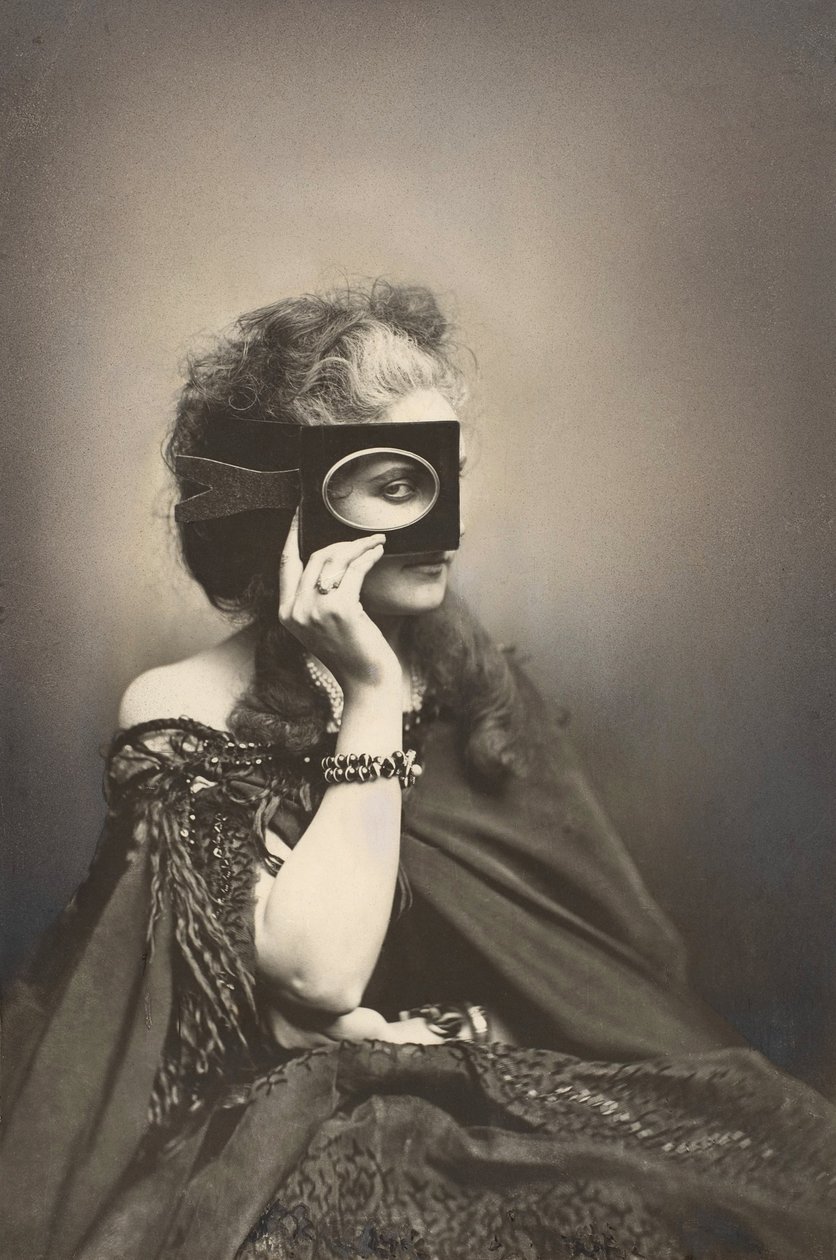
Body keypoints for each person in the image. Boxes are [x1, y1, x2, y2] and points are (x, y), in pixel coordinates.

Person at [1, 281, 835, 1260]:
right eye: (399, 485)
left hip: (507, 1090)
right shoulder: (183, 709)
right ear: (294, 505)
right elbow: (314, 977)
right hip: (287, 1144)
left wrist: (440, 1036)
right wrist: (368, 692)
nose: (451, 527)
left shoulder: (476, 690)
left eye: (452, 478)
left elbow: (607, 974)